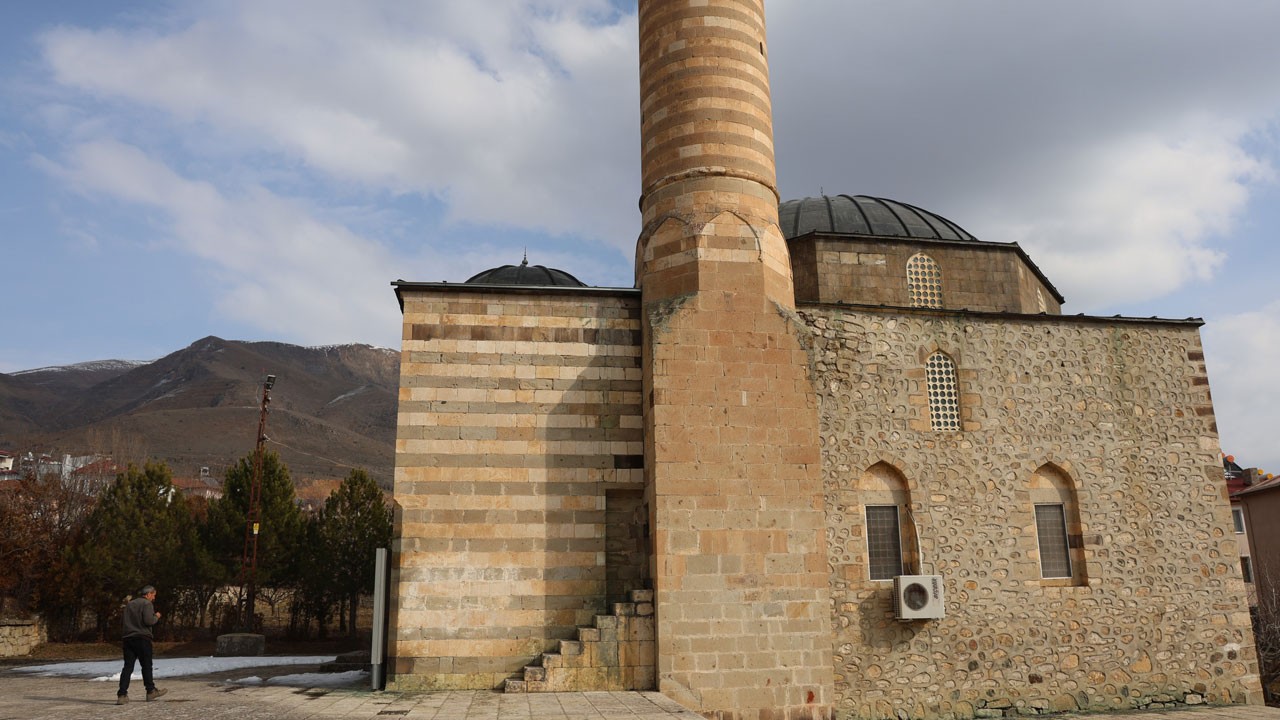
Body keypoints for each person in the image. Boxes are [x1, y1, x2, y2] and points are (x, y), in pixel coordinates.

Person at [117, 585, 167, 704]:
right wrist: (157, 616)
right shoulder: (147, 604)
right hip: (142, 638)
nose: (154, 598)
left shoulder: (129, 604)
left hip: (128, 638)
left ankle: (122, 694)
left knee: (128, 667)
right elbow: (149, 621)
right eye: (153, 595)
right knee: (146, 665)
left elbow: (124, 621)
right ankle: (150, 691)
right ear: (148, 594)